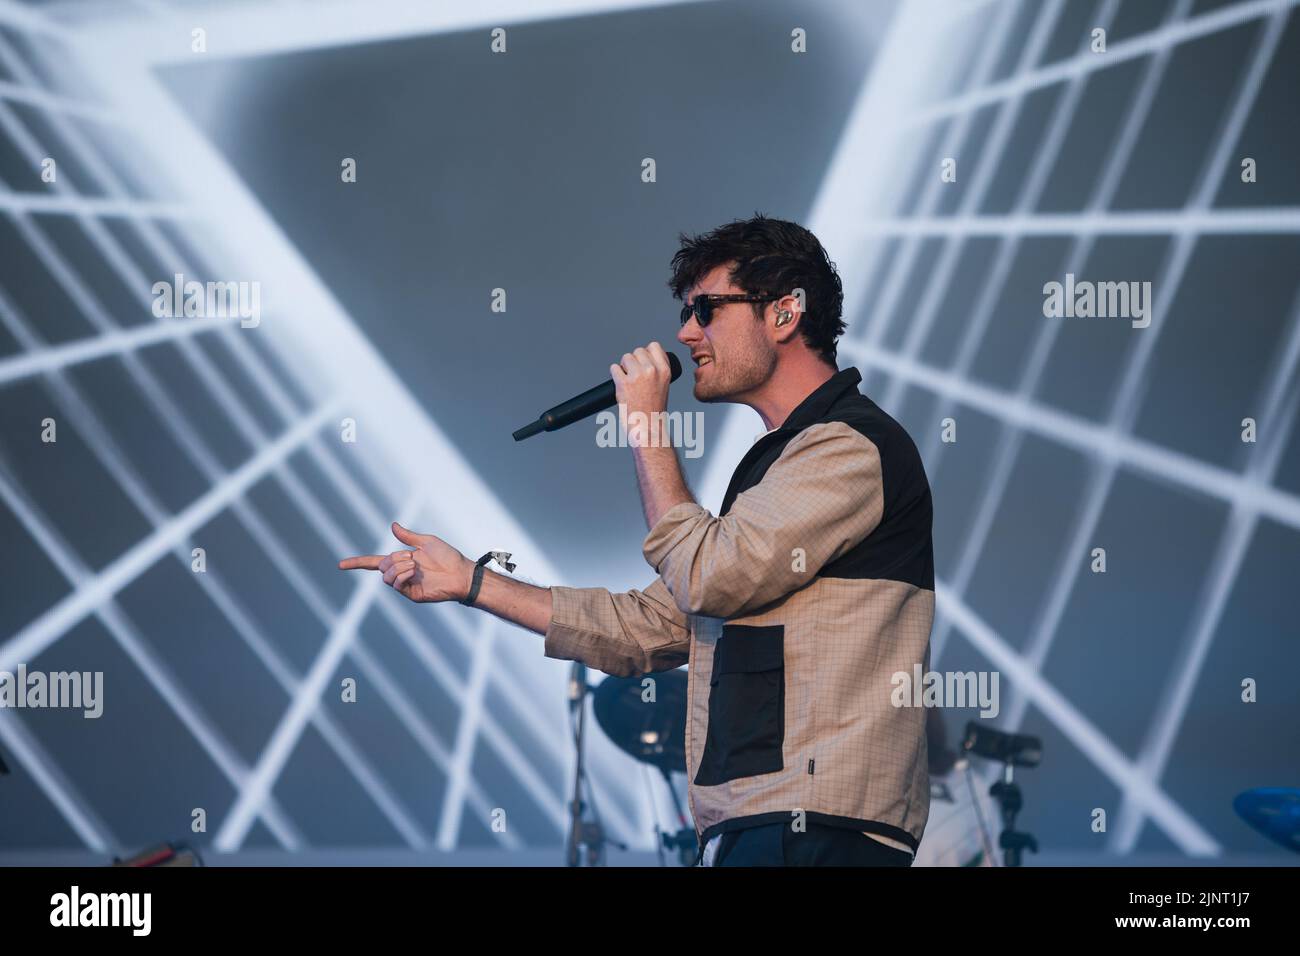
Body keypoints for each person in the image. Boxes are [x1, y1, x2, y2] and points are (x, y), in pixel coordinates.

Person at [340, 214, 935, 866]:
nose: (685, 334)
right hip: (765, 821)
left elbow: (709, 575)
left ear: (786, 312)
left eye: (706, 309)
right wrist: (473, 583)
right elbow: (650, 627)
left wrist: (648, 427)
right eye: (687, 312)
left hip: (817, 823)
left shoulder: (847, 447)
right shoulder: (786, 462)